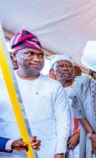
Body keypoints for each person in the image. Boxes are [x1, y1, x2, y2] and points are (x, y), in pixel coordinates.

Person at [0, 30, 70, 158]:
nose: (37, 59)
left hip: (46, 152)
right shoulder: (3, 82)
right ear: (14, 56)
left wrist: (59, 152)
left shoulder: (54, 86)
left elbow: (62, 121)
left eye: (40, 55)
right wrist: (9, 144)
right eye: (29, 53)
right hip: (10, 154)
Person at [50, 55, 80, 158]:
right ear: (53, 70)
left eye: (69, 66)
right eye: (61, 65)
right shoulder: (50, 89)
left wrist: (79, 134)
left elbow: (93, 114)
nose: (66, 68)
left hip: (76, 140)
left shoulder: (81, 88)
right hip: (54, 139)